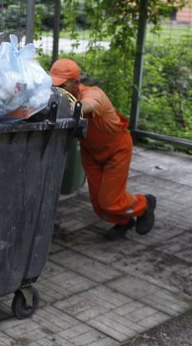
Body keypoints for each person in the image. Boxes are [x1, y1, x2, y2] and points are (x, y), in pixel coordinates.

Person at [49, 58, 156, 240]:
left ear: (76, 83)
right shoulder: (57, 96)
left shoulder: (94, 95)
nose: (58, 90)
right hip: (90, 152)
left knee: (110, 201)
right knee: (100, 205)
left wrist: (67, 107)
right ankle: (124, 222)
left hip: (117, 150)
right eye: (54, 86)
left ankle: (145, 203)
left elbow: (86, 107)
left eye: (62, 86)